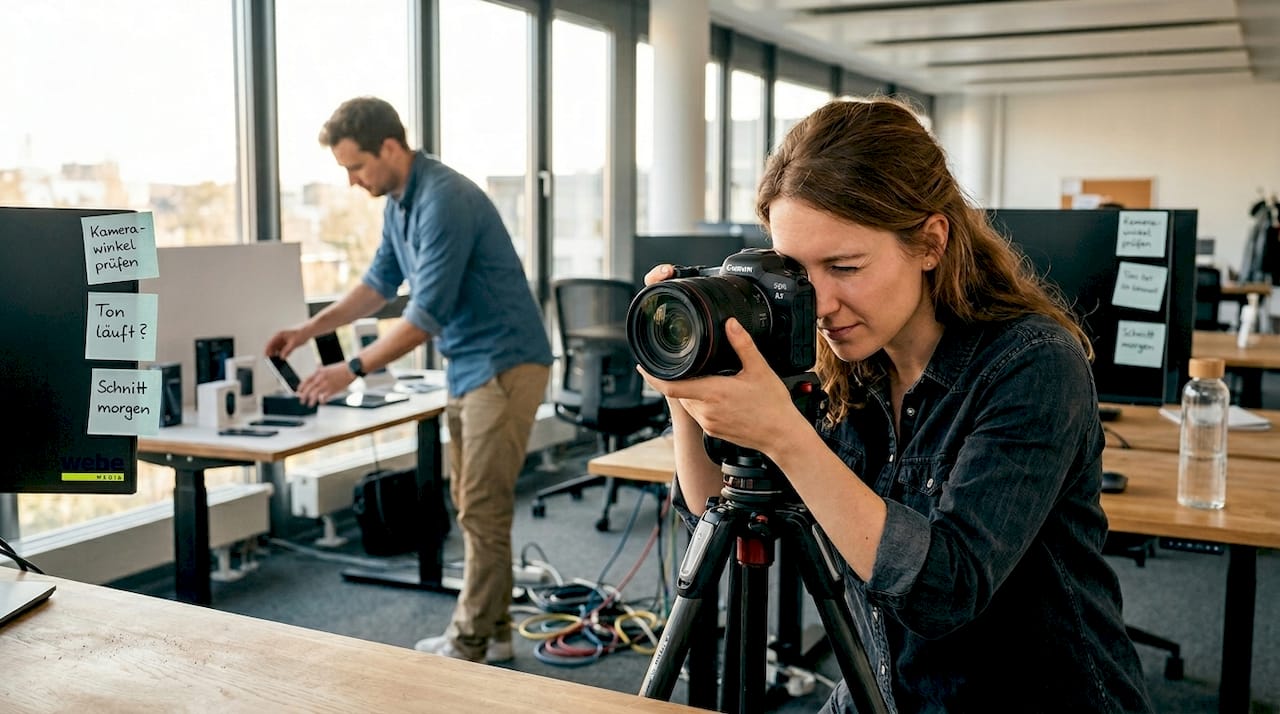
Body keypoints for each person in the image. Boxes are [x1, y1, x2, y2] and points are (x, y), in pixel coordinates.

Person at [640, 97, 1153, 712]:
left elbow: (946, 591)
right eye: (798, 273)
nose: (821, 303)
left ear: (931, 242)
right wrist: (686, 385)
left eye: (845, 266)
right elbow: (714, 518)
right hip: (885, 689)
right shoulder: (840, 366)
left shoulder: (1034, 364)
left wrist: (786, 437)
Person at [265, 96, 552, 665]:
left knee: (481, 504)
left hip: (505, 362)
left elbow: (425, 315)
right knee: (471, 505)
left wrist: (349, 369)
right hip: (470, 364)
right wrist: (308, 328)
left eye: (356, 167)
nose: (350, 181)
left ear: (390, 148)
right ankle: (494, 634)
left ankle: (469, 643)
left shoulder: (446, 200)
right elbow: (377, 285)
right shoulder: (399, 203)